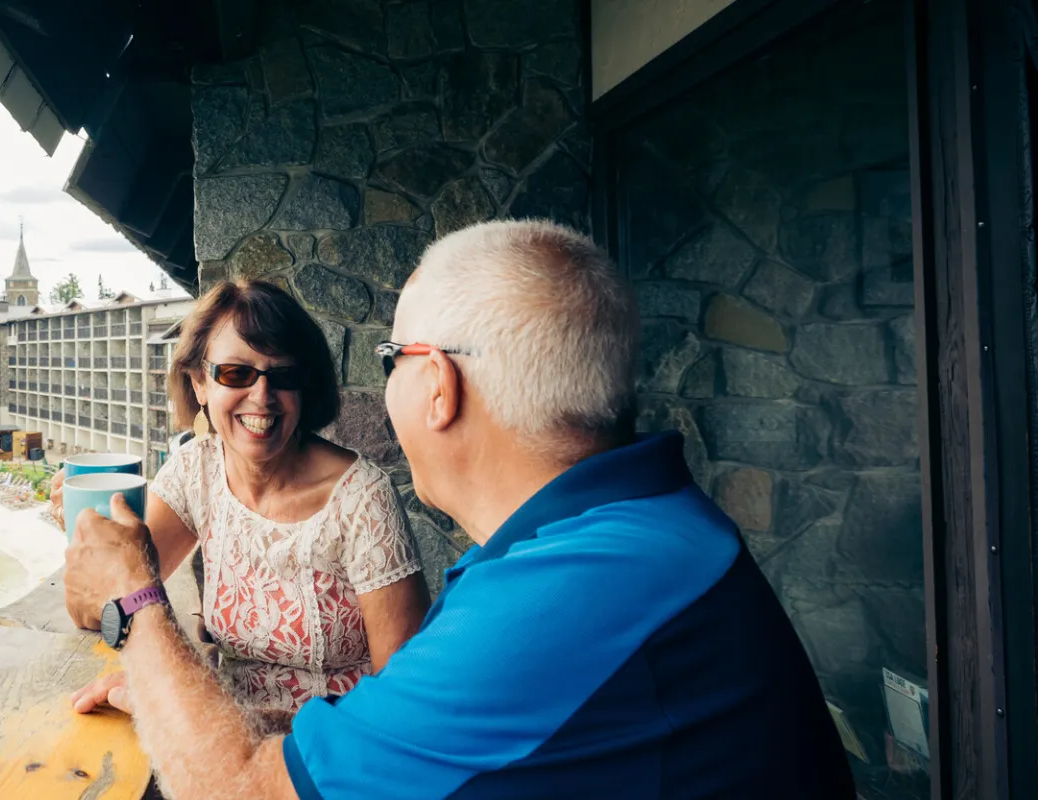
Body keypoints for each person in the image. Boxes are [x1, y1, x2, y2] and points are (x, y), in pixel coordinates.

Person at [64, 220, 855, 798]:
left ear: (437, 384)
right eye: (234, 375)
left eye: (392, 360)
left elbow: (238, 792)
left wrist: (136, 601)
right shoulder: (643, 534)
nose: (265, 398)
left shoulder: (561, 600)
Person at [56, 279, 428, 729]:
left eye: (283, 376)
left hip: (324, 754)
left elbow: (403, 705)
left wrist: (184, 701)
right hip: (219, 737)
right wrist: (85, 531)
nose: (262, 396)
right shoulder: (197, 470)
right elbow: (98, 604)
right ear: (199, 383)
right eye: (236, 374)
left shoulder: (363, 500)